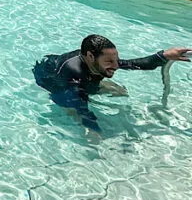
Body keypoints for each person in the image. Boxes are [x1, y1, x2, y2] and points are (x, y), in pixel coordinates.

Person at [34, 34, 191, 133]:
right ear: (90, 56)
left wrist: (163, 55)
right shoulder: (73, 76)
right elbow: (80, 105)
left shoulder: (95, 59)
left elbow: (132, 64)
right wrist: (93, 129)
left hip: (84, 78)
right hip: (55, 84)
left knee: (120, 91)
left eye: (115, 59)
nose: (116, 65)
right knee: (75, 114)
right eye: (109, 61)